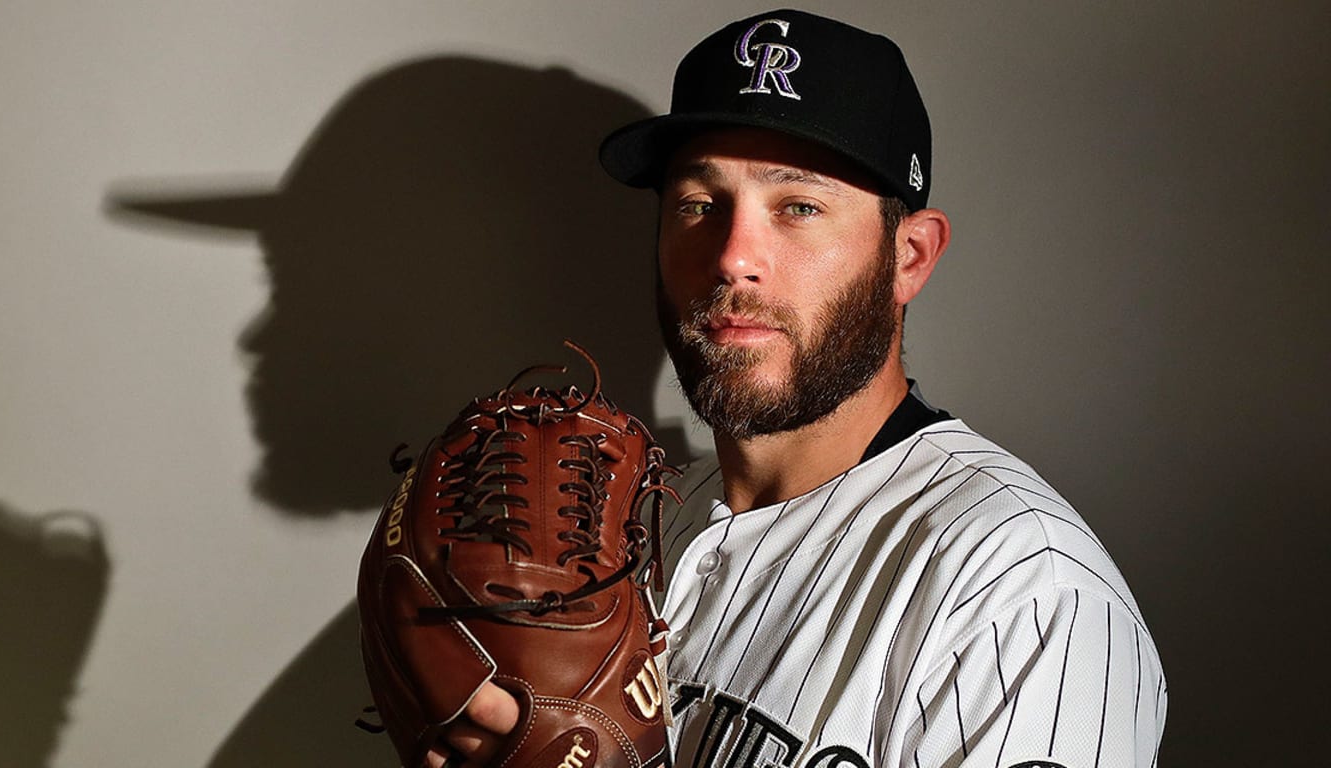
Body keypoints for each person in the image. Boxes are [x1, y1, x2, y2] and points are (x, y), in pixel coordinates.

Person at [425, 10, 1166, 768]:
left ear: (909, 257)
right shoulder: (608, 532)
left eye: (799, 207)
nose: (733, 258)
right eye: (697, 205)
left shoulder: (1024, 592)